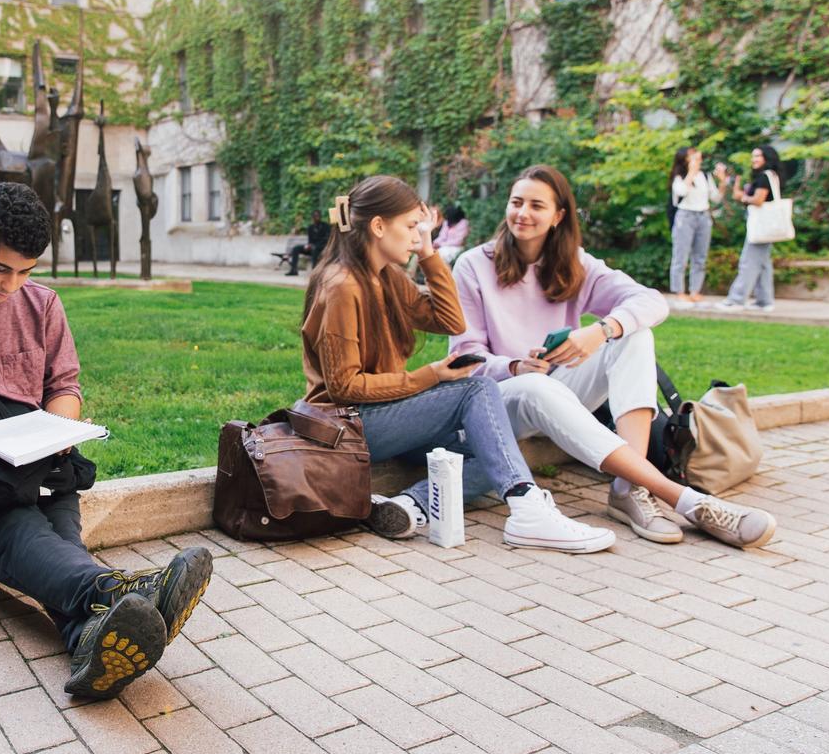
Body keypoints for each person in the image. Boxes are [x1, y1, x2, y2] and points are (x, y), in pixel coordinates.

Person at [0, 182, 212, 700]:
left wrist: (59, 429)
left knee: (51, 542)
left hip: (38, 468)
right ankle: (121, 589)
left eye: (26, 271)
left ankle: (87, 639)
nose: (12, 286)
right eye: (0, 269)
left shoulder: (42, 305)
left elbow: (64, 386)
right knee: (26, 533)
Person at [450, 165, 777, 549]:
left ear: (558, 217)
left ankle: (629, 487)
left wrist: (601, 330)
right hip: (500, 401)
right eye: (516, 202)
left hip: (559, 387)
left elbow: (651, 301)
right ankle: (685, 500)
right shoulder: (474, 265)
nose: (522, 213)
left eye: (536, 205)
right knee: (536, 386)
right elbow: (463, 358)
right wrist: (516, 365)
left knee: (634, 334)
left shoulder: (575, 262)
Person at [300, 174, 616, 552]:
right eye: (411, 226)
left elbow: (451, 321)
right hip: (348, 424)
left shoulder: (386, 278)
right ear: (379, 226)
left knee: (491, 448)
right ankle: (527, 508)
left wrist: (429, 254)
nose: (417, 235)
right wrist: (430, 376)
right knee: (477, 389)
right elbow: (344, 387)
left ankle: (412, 504)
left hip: (384, 415)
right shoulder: (343, 286)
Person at [715, 145, 783, 313]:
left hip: (760, 226)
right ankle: (764, 301)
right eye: (753, 156)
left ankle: (737, 299)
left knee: (748, 261)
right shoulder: (771, 176)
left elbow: (759, 200)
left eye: (758, 156)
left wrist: (742, 197)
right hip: (766, 226)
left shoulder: (764, 177)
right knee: (763, 264)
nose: (754, 159)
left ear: (767, 157)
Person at [668, 147, 726, 306]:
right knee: (681, 256)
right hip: (685, 216)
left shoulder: (705, 176)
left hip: (703, 216)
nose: (698, 160)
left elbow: (716, 198)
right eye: (693, 157)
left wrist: (722, 182)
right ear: (685, 159)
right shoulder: (679, 176)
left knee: (700, 257)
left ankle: (695, 291)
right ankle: (679, 291)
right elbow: (680, 191)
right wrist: (691, 173)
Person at [285, 209, 330, 276]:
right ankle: (294, 270)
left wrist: (314, 245)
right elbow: (310, 240)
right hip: (312, 247)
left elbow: (326, 239)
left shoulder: (326, 226)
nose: (316, 217)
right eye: (315, 216)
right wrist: (308, 245)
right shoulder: (310, 228)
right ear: (312, 217)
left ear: (320, 217)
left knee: (315, 249)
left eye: (318, 216)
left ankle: (314, 272)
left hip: (321, 248)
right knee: (296, 249)